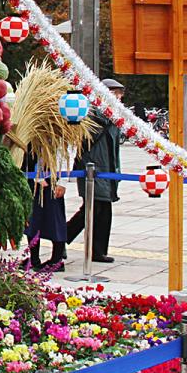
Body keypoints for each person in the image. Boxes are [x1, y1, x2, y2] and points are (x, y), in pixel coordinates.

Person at [66, 84, 123, 264]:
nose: (119, 98)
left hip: (107, 169)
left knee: (102, 209)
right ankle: (61, 240)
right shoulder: (91, 112)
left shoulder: (114, 116)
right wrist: (107, 116)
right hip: (93, 167)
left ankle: (98, 250)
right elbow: (86, 137)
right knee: (92, 209)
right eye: (115, 94)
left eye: (120, 95)